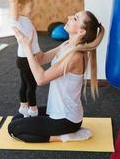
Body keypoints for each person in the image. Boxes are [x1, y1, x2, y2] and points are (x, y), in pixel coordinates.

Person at [8, 10, 105, 143]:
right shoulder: (67, 45)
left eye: (75, 18)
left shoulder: (76, 56)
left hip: (66, 120)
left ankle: (63, 137)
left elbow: (41, 79)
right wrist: (30, 40)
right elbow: (41, 58)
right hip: (55, 110)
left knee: (14, 129)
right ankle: (63, 132)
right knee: (18, 118)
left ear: (81, 31)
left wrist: (27, 48)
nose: (69, 16)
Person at [9, 0, 65, 117]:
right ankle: (33, 110)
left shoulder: (25, 20)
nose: (32, 9)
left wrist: (39, 54)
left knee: (25, 83)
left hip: (27, 57)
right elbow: (13, 1)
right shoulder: (17, 20)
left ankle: (23, 107)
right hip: (26, 59)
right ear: (20, 7)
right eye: (30, 6)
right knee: (32, 84)